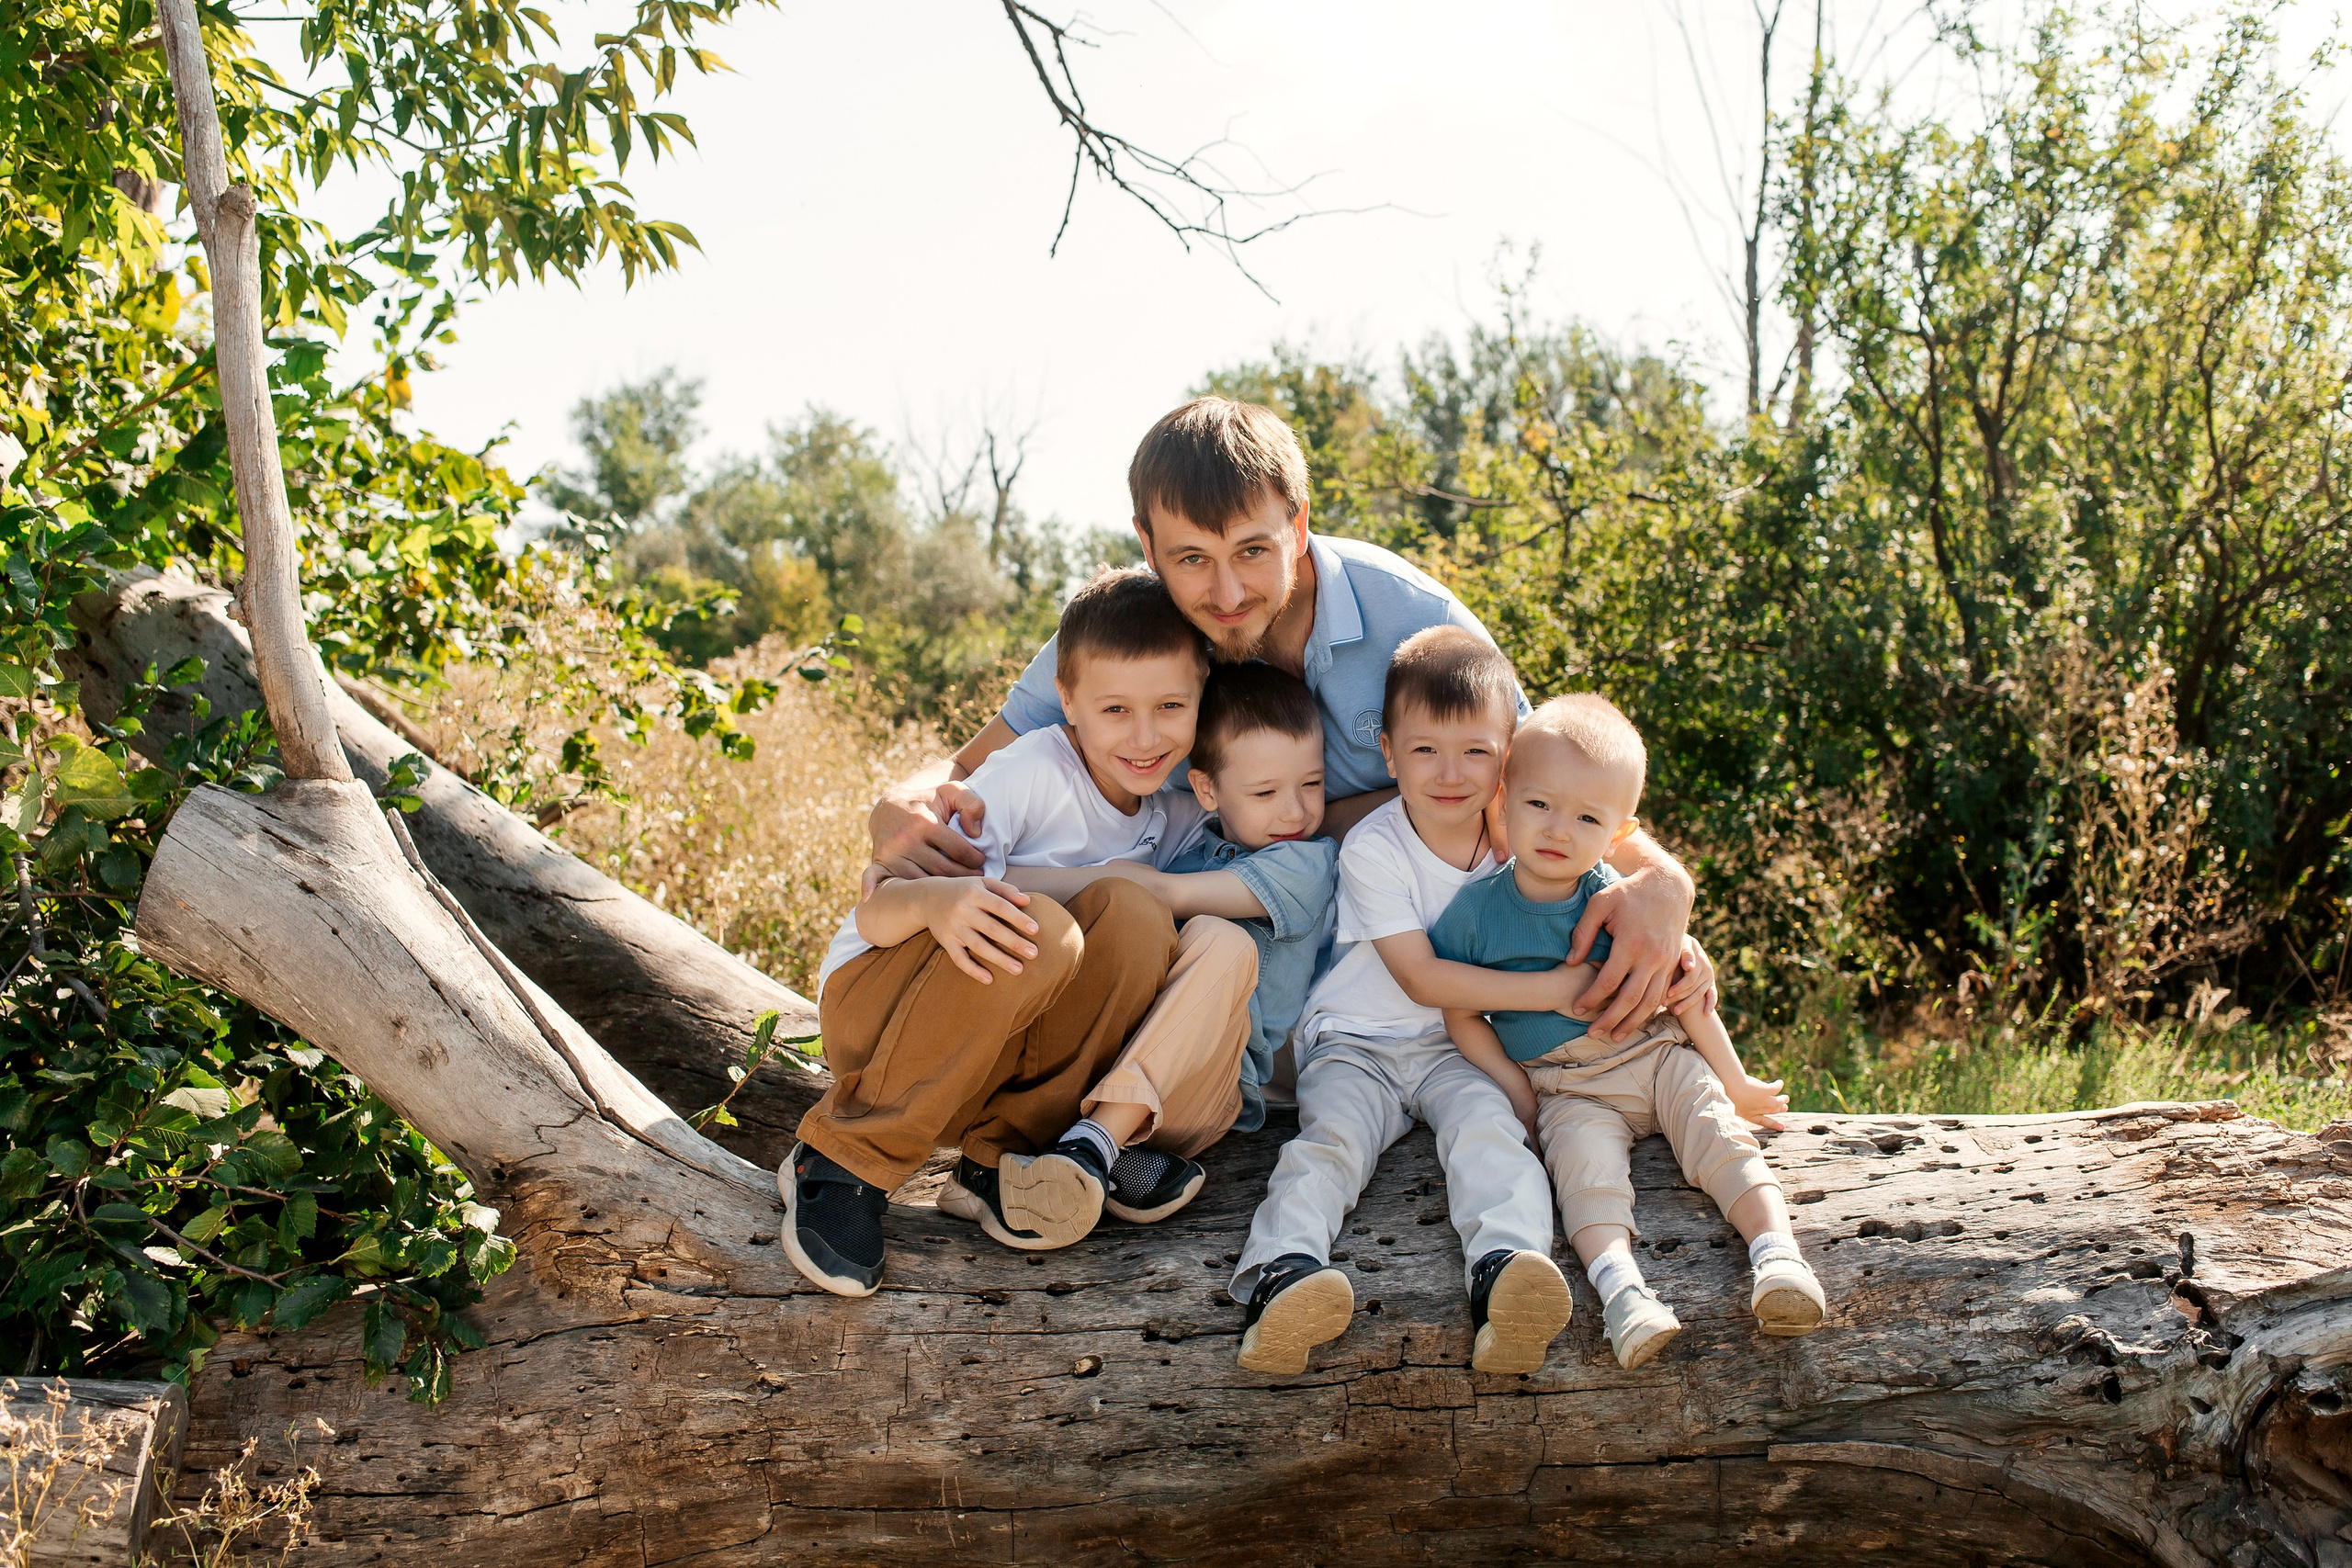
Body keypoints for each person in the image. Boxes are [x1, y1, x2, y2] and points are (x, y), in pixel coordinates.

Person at [863, 396, 1715, 1044]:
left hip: (1419, 956)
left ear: (1299, 526)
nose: (1226, 594)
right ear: (1148, 546)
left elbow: (1544, 781)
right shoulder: (1123, 633)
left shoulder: (1408, 618)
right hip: (1209, 952)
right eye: (1191, 559)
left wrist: (1662, 884)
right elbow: (969, 765)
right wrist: (898, 800)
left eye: (1253, 552)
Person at [777, 569, 1257, 1297]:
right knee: (1047, 930)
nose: (1145, 734)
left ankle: (1001, 1161)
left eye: (1171, 706)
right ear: (1067, 700)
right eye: (1115, 708)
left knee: (1136, 916)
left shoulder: (1175, 808)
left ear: (1200, 699)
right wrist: (938, 902)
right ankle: (843, 1154)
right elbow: (878, 904)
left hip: (985, 1059)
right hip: (878, 1013)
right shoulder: (1031, 771)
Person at [1430, 694, 1828, 1369]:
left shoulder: (1619, 899)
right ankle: (1624, 1295)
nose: (1559, 829)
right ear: (1502, 796)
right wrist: (1516, 1093)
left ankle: (1778, 1257)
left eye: (1587, 816)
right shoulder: (1474, 911)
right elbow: (1460, 1011)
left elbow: (1687, 997)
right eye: (1539, 804)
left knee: (1720, 1136)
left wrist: (1737, 1081)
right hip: (1567, 1084)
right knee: (1583, 1179)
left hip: (1655, 1053)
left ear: (1620, 831)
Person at [1227, 627, 1574, 1378]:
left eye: (1476, 751)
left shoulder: (1522, 848)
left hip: (1462, 1050)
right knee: (1331, 1143)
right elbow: (1421, 978)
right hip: (1359, 1041)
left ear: (1507, 754)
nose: (1451, 773)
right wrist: (1549, 991)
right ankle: (1283, 1274)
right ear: (1388, 754)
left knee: (1490, 1135)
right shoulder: (1374, 848)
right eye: (1425, 751)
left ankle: (1506, 1270)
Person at [1009, 661, 1338, 1149]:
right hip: (1126, 1066)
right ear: (1207, 790)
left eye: (1311, 784)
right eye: (1265, 792)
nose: (1295, 810)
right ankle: (1098, 1157)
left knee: (1215, 937)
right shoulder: (1187, 850)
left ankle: (1095, 1146)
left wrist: (1004, 878)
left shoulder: (1307, 863)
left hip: (1219, 1085)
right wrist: (989, 883)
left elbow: (1164, 892)